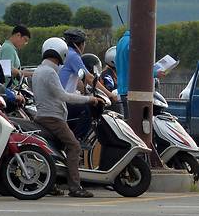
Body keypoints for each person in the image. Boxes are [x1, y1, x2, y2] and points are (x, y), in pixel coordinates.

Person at [32, 37, 102, 198]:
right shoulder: (49, 72)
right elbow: (63, 96)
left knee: (55, 151)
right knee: (75, 146)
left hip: (43, 116)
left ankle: (50, 184)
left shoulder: (39, 70)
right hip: (53, 118)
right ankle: (75, 187)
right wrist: (89, 99)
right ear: (62, 53)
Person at [116, 30, 165, 118]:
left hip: (122, 88)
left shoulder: (122, 41)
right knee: (136, 122)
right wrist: (155, 73)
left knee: (128, 120)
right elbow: (138, 66)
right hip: (134, 89)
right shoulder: (134, 43)